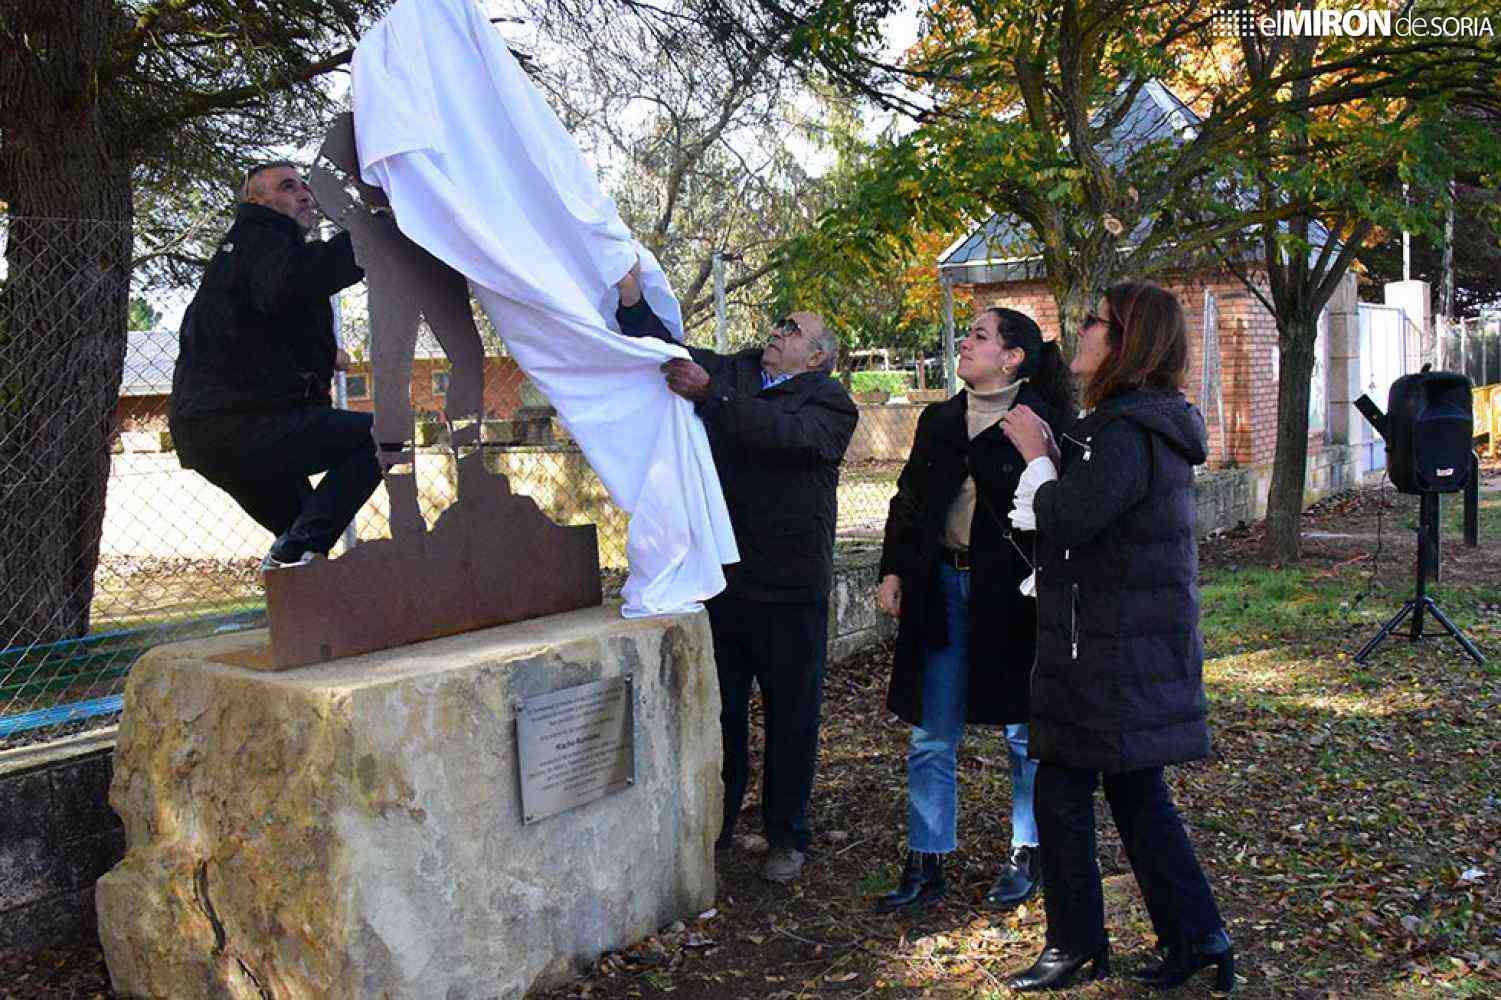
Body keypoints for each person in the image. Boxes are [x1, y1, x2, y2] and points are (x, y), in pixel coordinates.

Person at [999, 281, 1235, 993]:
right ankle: (1197, 937)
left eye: (1094, 321)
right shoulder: (1135, 425)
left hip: (1109, 652)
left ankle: (1076, 945)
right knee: (1135, 795)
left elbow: (1068, 519)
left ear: (1126, 341)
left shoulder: (1129, 431)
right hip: (1119, 644)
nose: (1081, 330)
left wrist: (1039, 456)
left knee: (1063, 792)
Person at [614, 267, 857, 884]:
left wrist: (712, 399)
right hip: (725, 583)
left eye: (793, 329)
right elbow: (670, 350)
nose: (777, 332)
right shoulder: (741, 370)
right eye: (778, 323)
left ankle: (786, 834)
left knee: (791, 717)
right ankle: (719, 824)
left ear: (818, 356)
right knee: (720, 711)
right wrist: (632, 300)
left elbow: (785, 436)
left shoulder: (829, 403)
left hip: (792, 589)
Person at [870, 307, 1072, 914]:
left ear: (1012, 357)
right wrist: (894, 569)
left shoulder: (1043, 421)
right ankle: (926, 860)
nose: (965, 344)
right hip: (942, 591)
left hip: (1012, 597)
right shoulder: (939, 419)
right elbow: (908, 498)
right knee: (931, 735)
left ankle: (1029, 850)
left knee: (1022, 732)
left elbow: (1060, 511)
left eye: (980, 336)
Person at [169, 161, 381, 570]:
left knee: (302, 537)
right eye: (287, 187)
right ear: (257, 201)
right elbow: (298, 280)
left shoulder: (247, 255)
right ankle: (293, 555)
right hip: (241, 424)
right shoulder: (258, 238)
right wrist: (371, 233)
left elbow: (254, 321)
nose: (304, 194)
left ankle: (303, 596)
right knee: (377, 438)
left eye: (304, 186)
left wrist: (324, 358)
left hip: (211, 433)